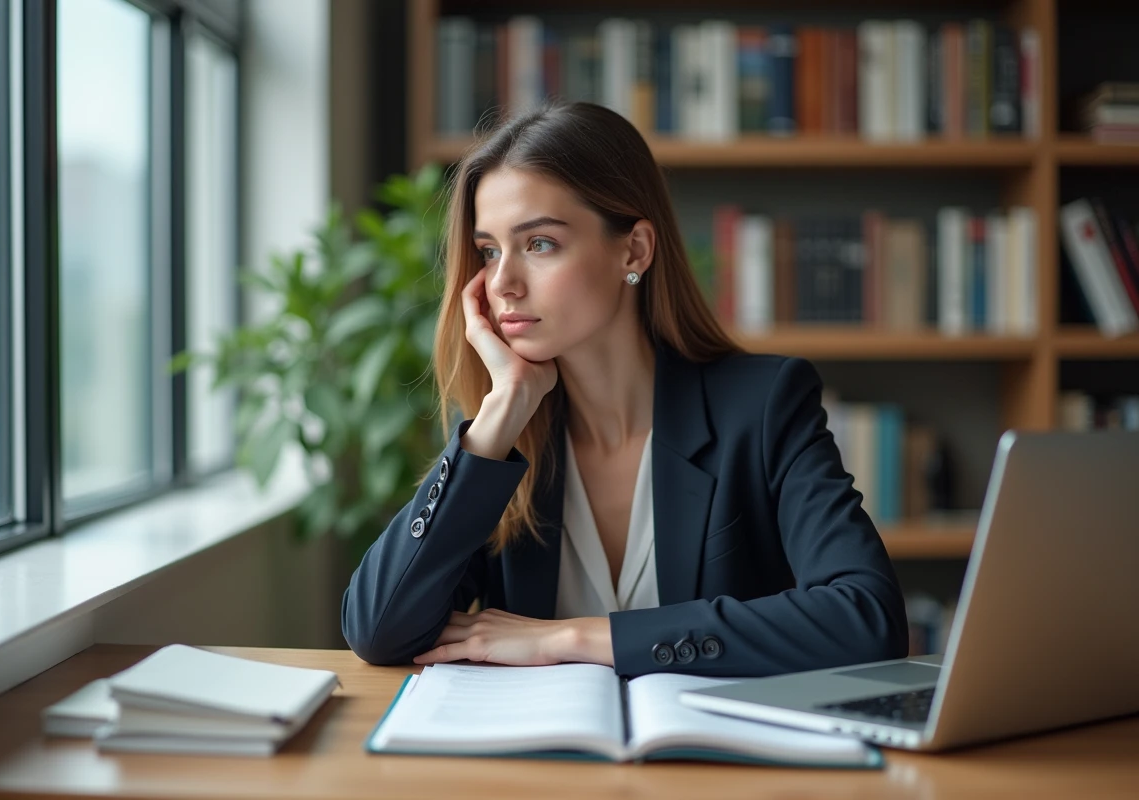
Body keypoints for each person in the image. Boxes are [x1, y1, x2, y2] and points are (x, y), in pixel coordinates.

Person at [341, 101, 908, 678]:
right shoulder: (501, 437)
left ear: (633, 250)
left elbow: (865, 618)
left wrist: (571, 638)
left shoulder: (762, 406)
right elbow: (379, 630)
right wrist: (499, 414)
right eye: (489, 251)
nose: (503, 283)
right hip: (542, 762)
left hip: (718, 761)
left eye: (539, 244)